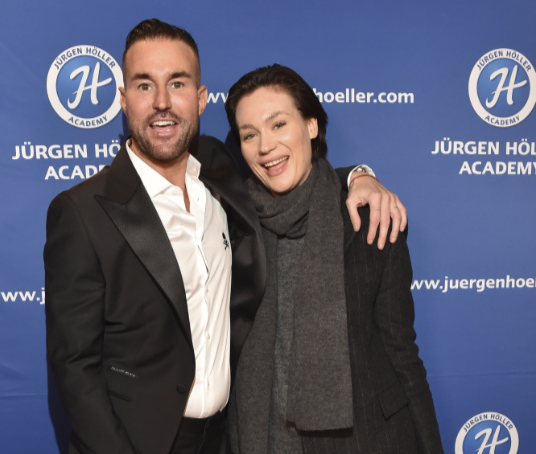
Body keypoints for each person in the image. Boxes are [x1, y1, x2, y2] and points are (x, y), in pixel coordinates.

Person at [44, 19, 406, 454]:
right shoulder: (81, 211)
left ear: (199, 99)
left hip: (227, 438)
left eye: (177, 84)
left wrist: (359, 178)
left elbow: (294, 174)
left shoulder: (220, 170)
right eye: (144, 86)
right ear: (123, 100)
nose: (162, 102)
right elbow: (73, 368)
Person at [224, 64, 444, 454]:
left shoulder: (369, 218)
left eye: (278, 125)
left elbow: (401, 350)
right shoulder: (230, 221)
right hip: (264, 440)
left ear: (311, 126)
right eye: (249, 134)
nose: (265, 146)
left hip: (366, 439)